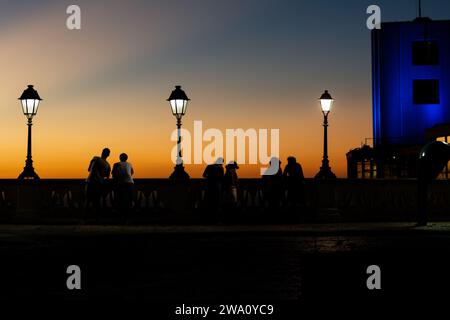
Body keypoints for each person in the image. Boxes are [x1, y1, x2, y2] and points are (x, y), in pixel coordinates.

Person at [86, 148, 111, 216]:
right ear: (108, 155)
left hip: (91, 181)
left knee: (87, 200)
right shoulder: (108, 165)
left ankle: (85, 218)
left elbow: (89, 169)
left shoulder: (95, 158)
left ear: (102, 152)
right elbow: (107, 176)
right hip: (99, 183)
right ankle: (97, 218)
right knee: (97, 201)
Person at [112, 153, 135, 219]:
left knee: (120, 201)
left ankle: (121, 217)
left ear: (120, 158)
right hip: (130, 183)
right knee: (129, 201)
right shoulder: (129, 164)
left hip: (121, 184)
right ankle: (128, 217)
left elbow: (113, 174)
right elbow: (132, 173)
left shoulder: (116, 164)